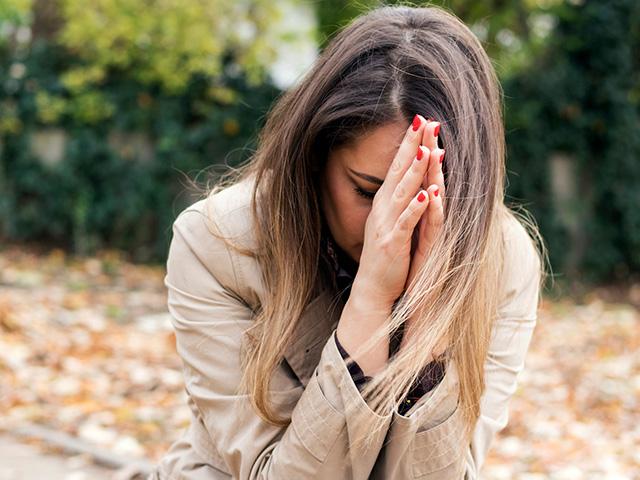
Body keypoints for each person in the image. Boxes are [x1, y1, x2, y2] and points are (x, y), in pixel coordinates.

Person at [149, 4, 547, 479]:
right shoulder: (218, 244)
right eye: (368, 190)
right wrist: (372, 301)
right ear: (316, 157)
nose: (391, 226)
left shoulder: (501, 262)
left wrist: (426, 330)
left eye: (429, 200)